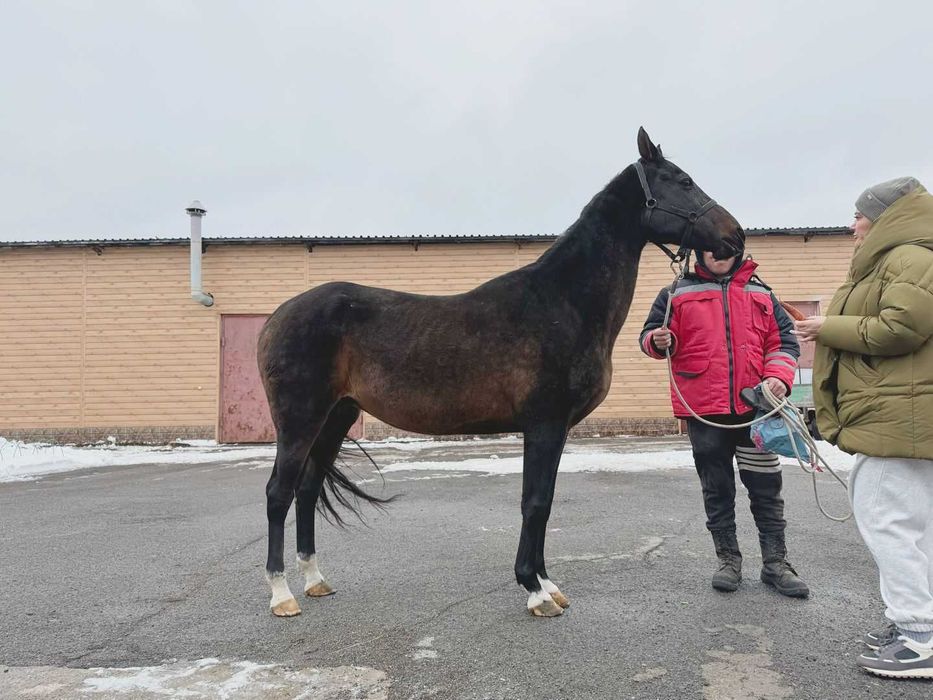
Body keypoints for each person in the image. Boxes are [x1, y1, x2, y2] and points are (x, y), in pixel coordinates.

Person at [797, 176, 933, 679]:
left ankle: (918, 637)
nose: (853, 225)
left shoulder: (911, 256)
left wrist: (823, 327)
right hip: (903, 416)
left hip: (899, 418)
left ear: (886, 214)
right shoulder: (906, 255)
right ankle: (918, 624)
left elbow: (901, 327)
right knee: (915, 524)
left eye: (858, 214)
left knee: (886, 519)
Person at [639, 244, 809, 597]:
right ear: (698, 252)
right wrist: (657, 341)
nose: (718, 254)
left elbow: (785, 342)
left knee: (765, 489)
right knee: (717, 489)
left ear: (738, 251)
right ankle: (728, 560)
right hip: (704, 413)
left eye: (726, 249)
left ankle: (776, 563)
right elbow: (650, 336)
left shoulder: (761, 292)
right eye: (710, 248)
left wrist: (779, 376)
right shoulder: (676, 292)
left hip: (756, 411)